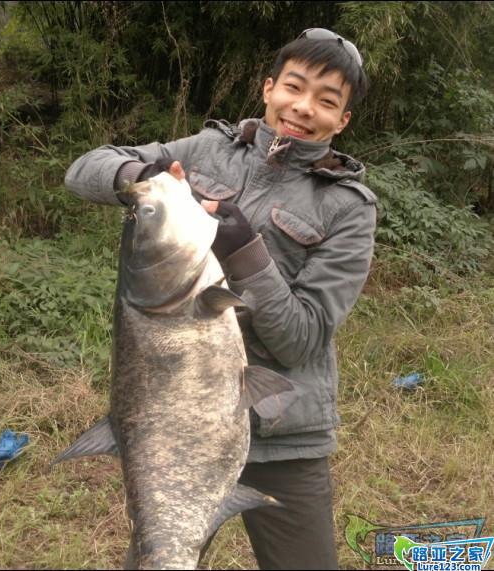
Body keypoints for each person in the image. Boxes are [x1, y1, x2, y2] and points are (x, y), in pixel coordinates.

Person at [65, 28, 376, 571]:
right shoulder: (207, 150)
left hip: (285, 436)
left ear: (342, 119)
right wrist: (143, 178)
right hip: (173, 431)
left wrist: (246, 252)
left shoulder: (349, 207)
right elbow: (82, 171)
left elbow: (301, 340)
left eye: (326, 100)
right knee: (161, 555)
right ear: (269, 88)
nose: (303, 107)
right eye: (294, 87)